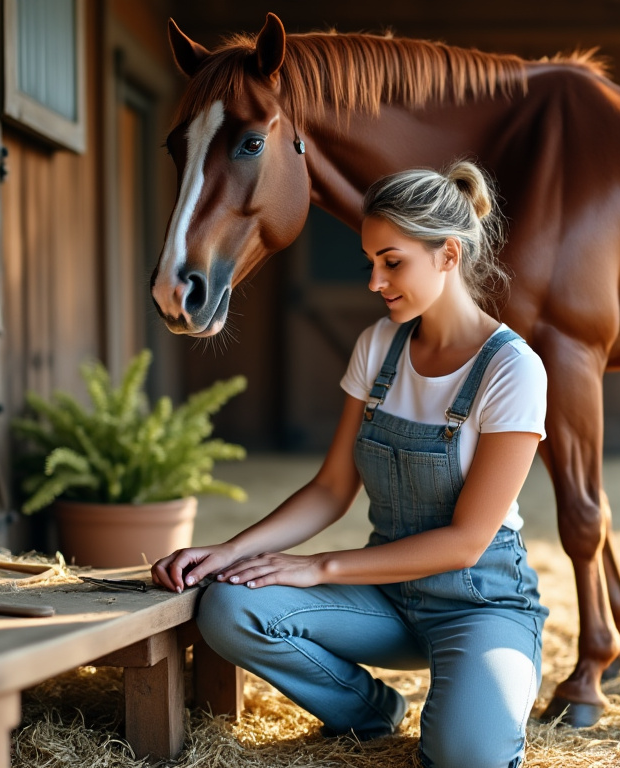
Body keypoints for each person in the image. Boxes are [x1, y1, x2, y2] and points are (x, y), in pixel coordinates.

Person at [152, 160, 550, 768]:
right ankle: (369, 712)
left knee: (469, 756)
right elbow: (333, 487)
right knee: (230, 608)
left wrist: (320, 567)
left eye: (393, 262)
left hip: (479, 602)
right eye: (371, 263)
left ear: (447, 254)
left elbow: (468, 542)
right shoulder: (378, 347)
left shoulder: (512, 369)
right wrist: (228, 553)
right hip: (387, 599)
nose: (375, 281)